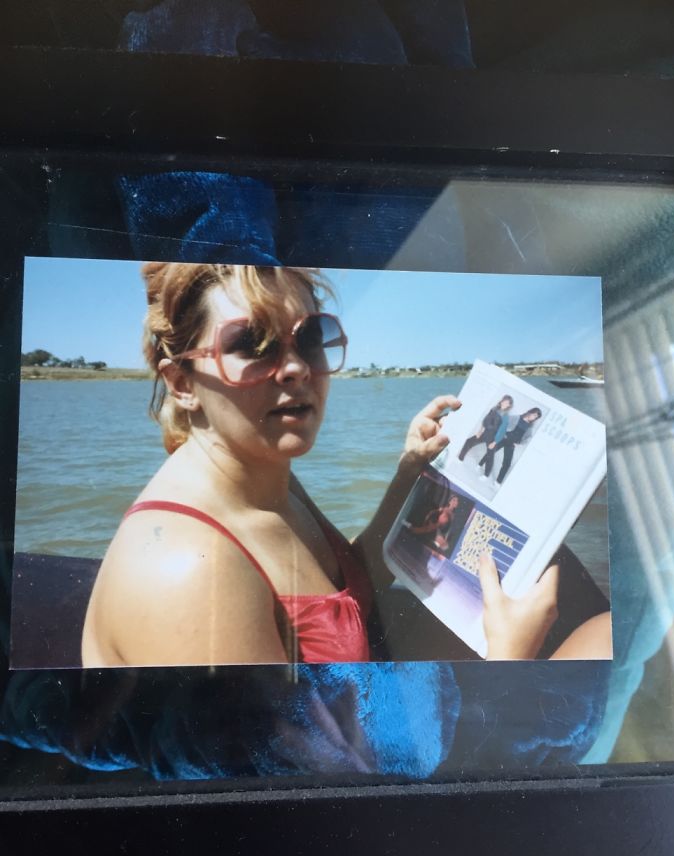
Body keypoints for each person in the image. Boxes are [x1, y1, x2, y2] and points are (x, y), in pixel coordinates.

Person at [82, 263, 610, 666]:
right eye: (253, 344)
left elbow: (351, 584)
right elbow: (291, 781)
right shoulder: (192, 571)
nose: (295, 367)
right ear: (181, 383)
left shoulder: (266, 476)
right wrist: (508, 664)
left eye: (310, 338)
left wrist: (409, 473)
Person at [480, 406, 542, 485]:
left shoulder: (529, 427)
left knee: (507, 463)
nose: (534, 418)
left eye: (536, 417)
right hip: (503, 438)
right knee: (491, 452)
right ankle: (480, 464)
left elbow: (528, 438)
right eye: (534, 415)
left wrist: (519, 443)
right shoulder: (517, 418)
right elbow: (503, 423)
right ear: (531, 412)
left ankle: (498, 482)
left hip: (511, 444)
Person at [457, 395, 513, 462]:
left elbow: (502, 431)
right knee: (469, 442)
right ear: (501, 400)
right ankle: (460, 459)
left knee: (490, 456)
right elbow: (486, 420)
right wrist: (480, 431)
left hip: (493, 437)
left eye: (507, 403)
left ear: (509, 405)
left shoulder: (505, 416)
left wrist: (494, 442)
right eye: (504, 401)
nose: (504, 403)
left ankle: (487, 469)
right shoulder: (494, 409)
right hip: (485, 433)